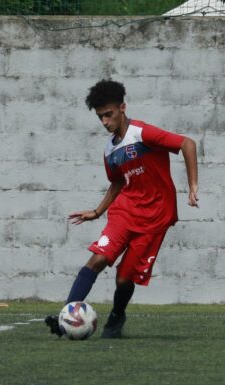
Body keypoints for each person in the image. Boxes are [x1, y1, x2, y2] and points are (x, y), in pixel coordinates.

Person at [45, 79, 199, 339]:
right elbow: (117, 181)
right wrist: (98, 211)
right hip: (125, 211)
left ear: (122, 108)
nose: (105, 122)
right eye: (100, 117)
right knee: (98, 258)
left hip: (156, 216)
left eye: (109, 114)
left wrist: (192, 186)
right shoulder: (110, 150)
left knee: (124, 278)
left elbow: (187, 144)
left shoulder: (142, 133)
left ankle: (116, 316)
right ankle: (65, 319)